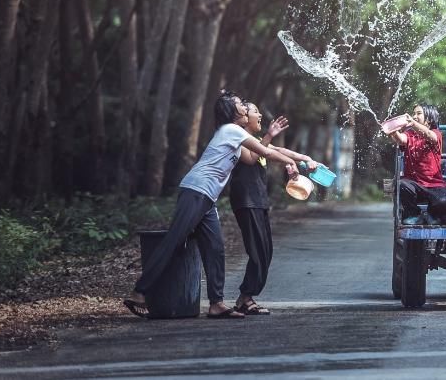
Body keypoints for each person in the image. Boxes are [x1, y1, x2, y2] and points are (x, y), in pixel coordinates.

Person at [123, 90, 298, 319]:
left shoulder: (234, 135)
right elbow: (265, 152)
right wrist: (292, 162)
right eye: (240, 105)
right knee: (175, 240)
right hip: (196, 190)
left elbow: (253, 158)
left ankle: (216, 304)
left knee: (215, 249)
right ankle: (139, 292)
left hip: (208, 198)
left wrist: (271, 136)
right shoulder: (231, 130)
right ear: (231, 113)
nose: (245, 108)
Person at [229, 100, 323, 315]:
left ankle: (247, 297)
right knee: (257, 251)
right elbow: (254, 158)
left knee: (266, 250)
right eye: (254, 111)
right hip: (246, 200)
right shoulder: (238, 139)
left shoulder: (255, 140)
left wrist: (304, 159)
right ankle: (245, 298)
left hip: (259, 201)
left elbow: (278, 150)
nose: (259, 114)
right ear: (243, 118)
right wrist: (271, 136)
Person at [390, 103, 446, 224]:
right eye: (414, 114)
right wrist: (392, 130)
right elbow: (401, 139)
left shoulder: (436, 133)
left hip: (434, 184)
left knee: (444, 201)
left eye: (419, 113)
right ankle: (414, 215)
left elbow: (430, 136)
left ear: (429, 118)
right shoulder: (410, 134)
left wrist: (413, 123)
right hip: (413, 184)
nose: (415, 116)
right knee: (401, 185)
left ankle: (432, 215)